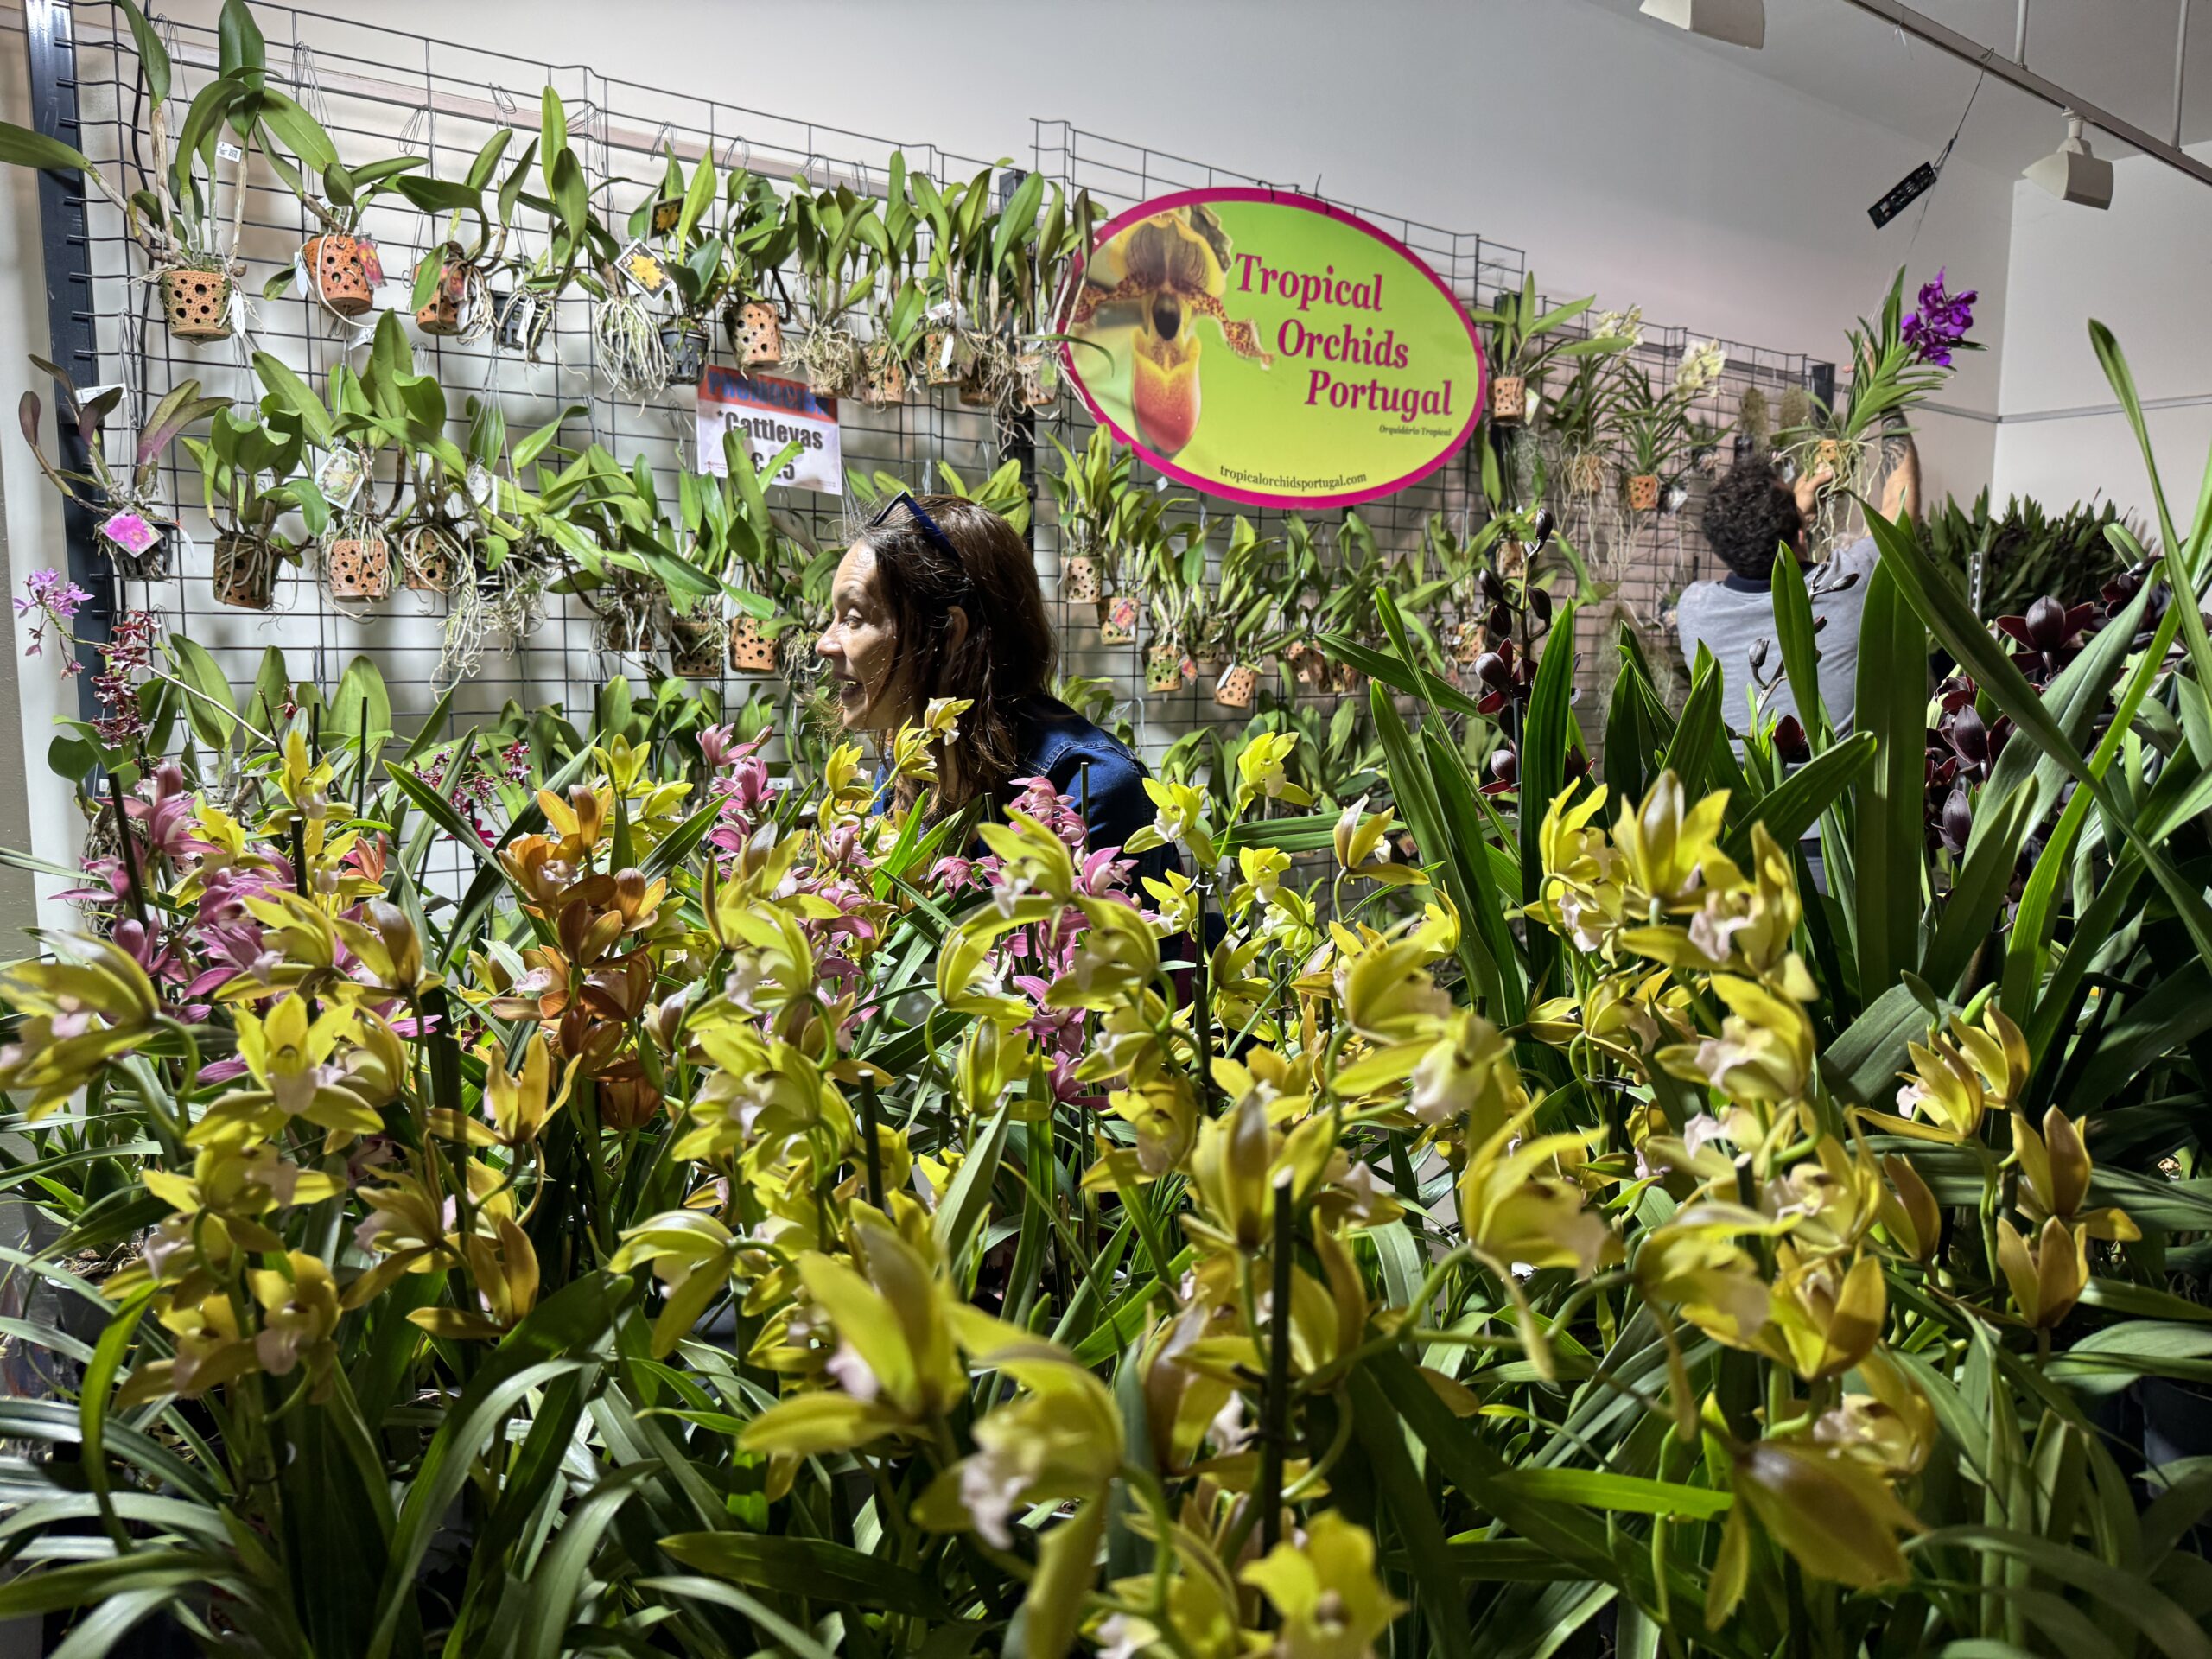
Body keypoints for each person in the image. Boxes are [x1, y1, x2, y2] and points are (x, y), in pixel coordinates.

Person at [814, 489, 1169, 882]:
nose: (824, 643)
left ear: (948, 633)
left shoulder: (1088, 786)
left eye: (853, 618)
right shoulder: (905, 765)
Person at [1677, 439, 1919, 748]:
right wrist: (1893, 418)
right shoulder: (1851, 583)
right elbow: (1900, 508)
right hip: (1842, 779)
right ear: (1801, 533)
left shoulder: (1693, 609)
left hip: (1740, 780)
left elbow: (1761, 545)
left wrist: (1794, 517)